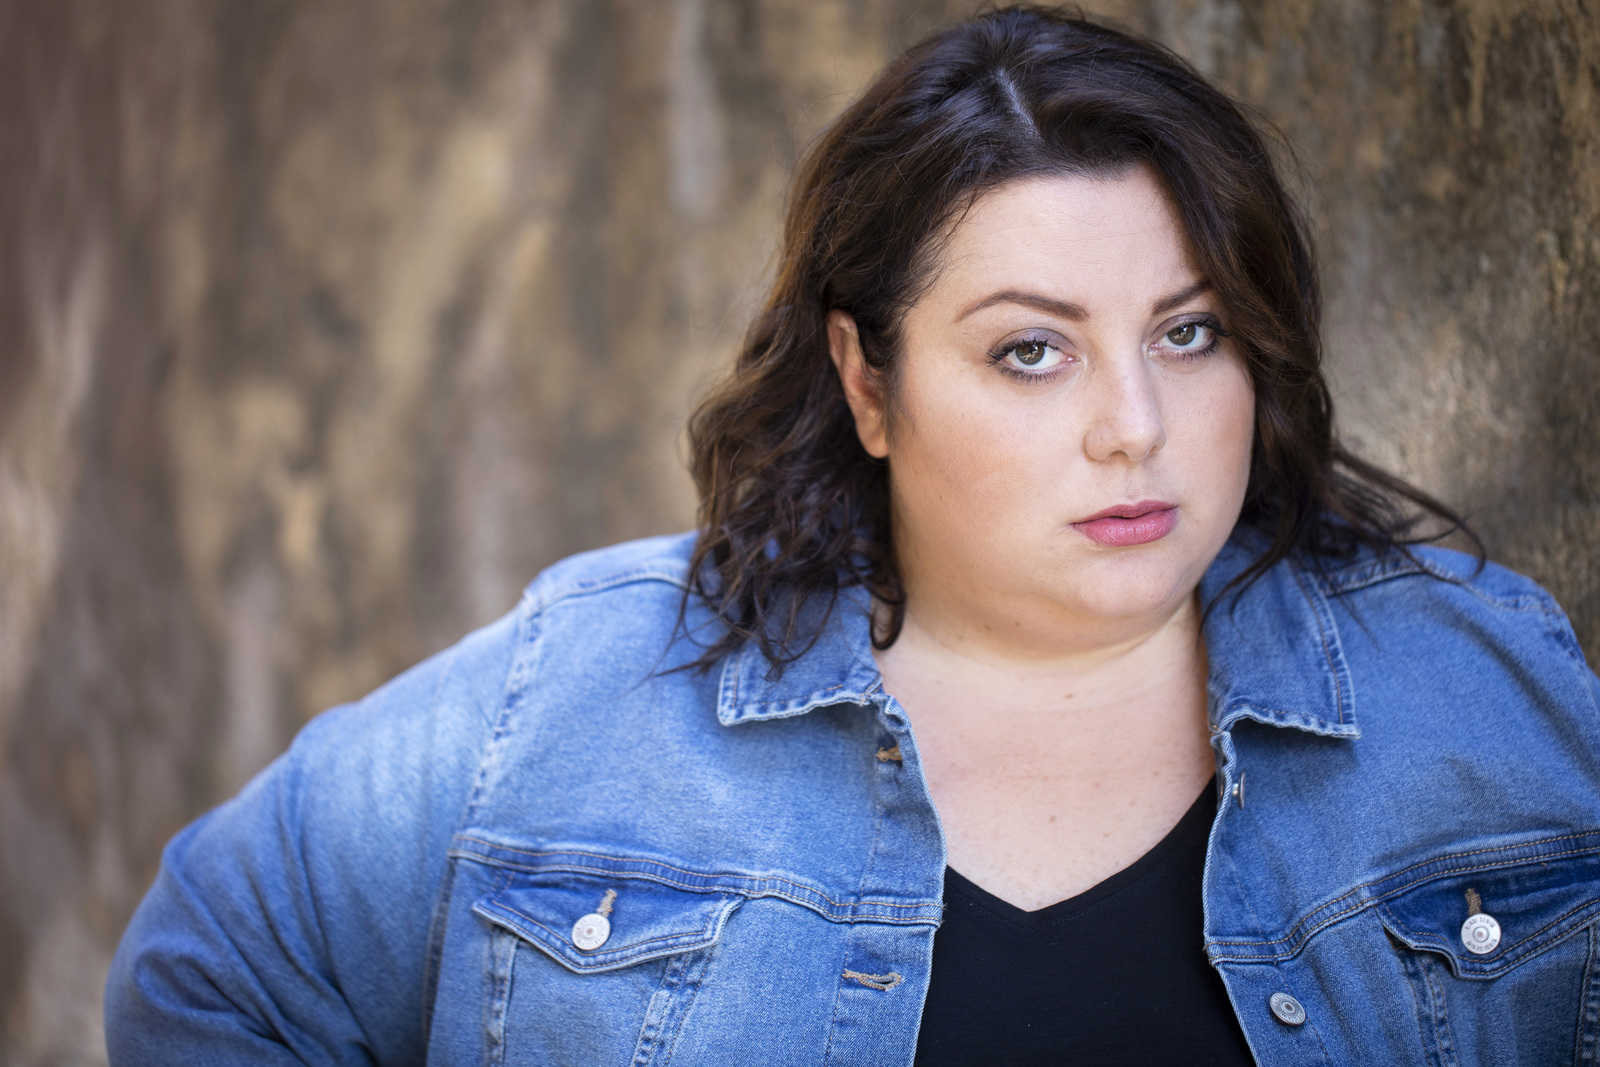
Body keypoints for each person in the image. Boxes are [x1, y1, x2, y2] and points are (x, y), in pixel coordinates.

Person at [106, 6, 1600, 1065]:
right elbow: (214, 968)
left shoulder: (1482, 693)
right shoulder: (585, 696)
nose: (1134, 425)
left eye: (1189, 332)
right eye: (1032, 350)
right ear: (867, 381)